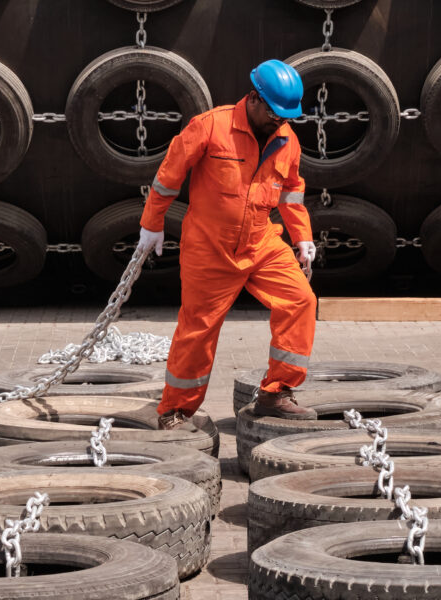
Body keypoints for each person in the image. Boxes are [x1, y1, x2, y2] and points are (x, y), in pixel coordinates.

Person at [137, 59, 319, 431]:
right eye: (274, 112)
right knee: (198, 329)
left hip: (261, 242)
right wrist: (152, 224)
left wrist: (302, 236)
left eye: (287, 115)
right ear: (253, 98)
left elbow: (292, 192)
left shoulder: (287, 139)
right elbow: (169, 176)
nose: (280, 121)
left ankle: (276, 393)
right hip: (210, 247)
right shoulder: (210, 126)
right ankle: (176, 411)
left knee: (301, 300)